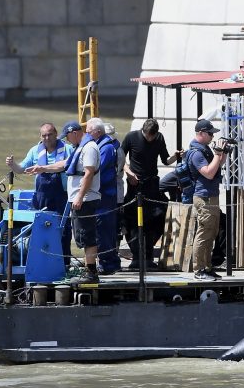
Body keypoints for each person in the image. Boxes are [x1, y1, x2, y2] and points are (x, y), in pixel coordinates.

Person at [6, 120, 71, 268]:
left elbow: (67, 165)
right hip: (41, 196)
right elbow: (21, 169)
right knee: (39, 229)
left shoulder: (67, 149)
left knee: (63, 229)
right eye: (44, 135)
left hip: (61, 196)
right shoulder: (35, 150)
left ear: (56, 134)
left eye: (50, 134)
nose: (47, 138)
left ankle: (64, 263)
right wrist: (12, 164)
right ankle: (40, 262)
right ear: (40, 136)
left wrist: (43, 168)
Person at [121, 118, 181, 268]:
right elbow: (120, 158)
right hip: (135, 185)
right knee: (133, 220)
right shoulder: (131, 137)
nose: (150, 139)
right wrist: (129, 173)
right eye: (148, 136)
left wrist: (176, 156)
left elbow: (166, 160)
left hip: (152, 185)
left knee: (159, 215)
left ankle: (148, 253)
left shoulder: (159, 138)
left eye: (152, 136)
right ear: (143, 131)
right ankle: (137, 256)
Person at [186, 118, 229, 281]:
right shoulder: (196, 153)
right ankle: (198, 270)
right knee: (204, 234)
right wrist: (217, 153)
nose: (212, 136)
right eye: (210, 134)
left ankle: (207, 267)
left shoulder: (205, 150)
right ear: (201, 133)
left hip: (211, 196)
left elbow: (217, 166)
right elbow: (209, 173)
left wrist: (223, 153)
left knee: (212, 233)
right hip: (203, 197)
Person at [61, 119, 101, 284]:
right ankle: (88, 269)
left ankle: (91, 272)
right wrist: (42, 168)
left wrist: (79, 196)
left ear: (75, 133)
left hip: (85, 199)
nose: (66, 140)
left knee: (87, 235)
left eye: (67, 136)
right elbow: (65, 164)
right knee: (82, 236)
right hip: (80, 198)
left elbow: (89, 173)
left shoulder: (89, 148)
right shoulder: (79, 147)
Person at [87, 118, 121, 274]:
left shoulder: (106, 148)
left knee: (104, 231)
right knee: (103, 230)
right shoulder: (105, 146)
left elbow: (96, 169)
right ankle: (110, 262)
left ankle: (108, 263)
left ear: (98, 132)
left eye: (89, 131)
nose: (87, 133)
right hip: (104, 195)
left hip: (105, 196)